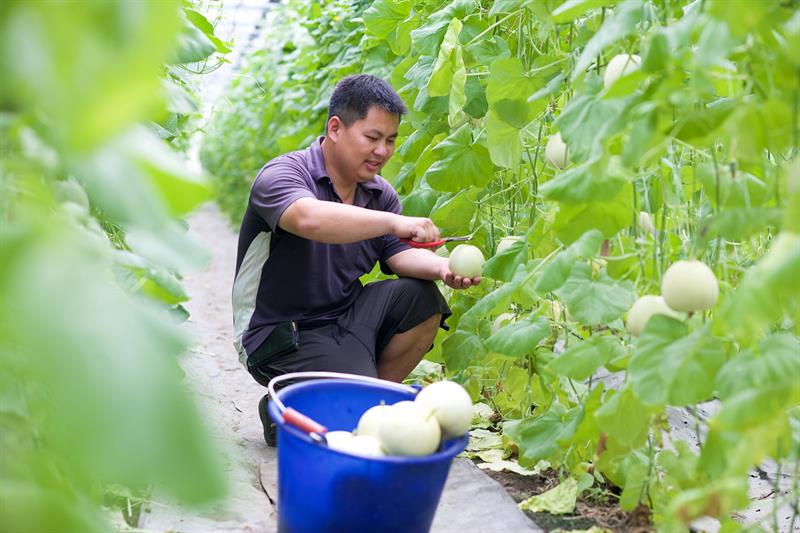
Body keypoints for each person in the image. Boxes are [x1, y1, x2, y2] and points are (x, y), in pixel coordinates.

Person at [232, 74, 481, 446]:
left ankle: (362, 408)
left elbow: (398, 256)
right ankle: (285, 406)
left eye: (391, 140)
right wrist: (394, 221)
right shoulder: (284, 174)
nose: (383, 151)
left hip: (344, 319)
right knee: (351, 414)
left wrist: (443, 269)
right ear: (336, 128)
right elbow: (309, 219)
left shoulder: (379, 194)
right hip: (279, 333)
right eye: (373, 138)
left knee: (422, 298)